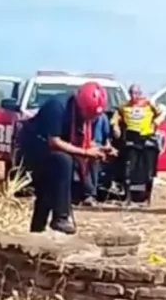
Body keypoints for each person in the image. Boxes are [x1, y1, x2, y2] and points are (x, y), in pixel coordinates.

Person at [20, 82, 112, 234]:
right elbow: (54, 141)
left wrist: (99, 149)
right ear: (81, 104)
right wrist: (85, 152)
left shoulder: (81, 114)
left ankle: (36, 232)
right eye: (89, 114)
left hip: (53, 149)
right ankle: (60, 217)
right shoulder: (57, 107)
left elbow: (80, 140)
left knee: (47, 191)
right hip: (34, 146)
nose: (90, 119)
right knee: (64, 161)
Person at [111, 84, 166, 204]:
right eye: (131, 93)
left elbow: (163, 111)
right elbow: (116, 117)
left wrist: (157, 121)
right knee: (128, 169)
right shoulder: (124, 106)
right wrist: (116, 127)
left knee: (149, 171)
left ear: (140, 94)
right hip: (132, 139)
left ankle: (148, 198)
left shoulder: (149, 104)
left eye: (136, 93)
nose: (133, 96)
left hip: (147, 138)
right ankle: (127, 198)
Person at [74, 112, 115, 205]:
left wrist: (107, 148)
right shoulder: (79, 116)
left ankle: (91, 194)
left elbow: (106, 138)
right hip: (82, 146)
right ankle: (89, 194)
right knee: (84, 162)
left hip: (98, 146)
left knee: (95, 160)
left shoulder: (103, 118)